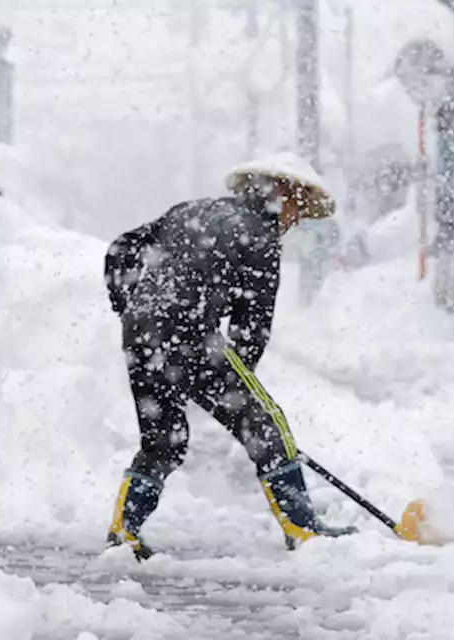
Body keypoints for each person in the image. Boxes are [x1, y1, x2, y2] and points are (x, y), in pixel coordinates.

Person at [102, 152, 357, 560]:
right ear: (286, 196)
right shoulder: (260, 236)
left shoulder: (191, 211)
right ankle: (302, 528)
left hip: (142, 335)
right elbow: (251, 328)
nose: (294, 222)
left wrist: (130, 307)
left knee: (164, 440)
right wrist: (238, 390)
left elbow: (121, 248)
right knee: (267, 423)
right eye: (298, 211)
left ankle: (124, 528)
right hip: (191, 335)